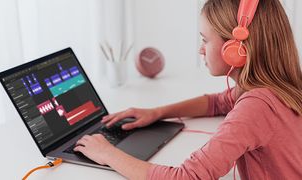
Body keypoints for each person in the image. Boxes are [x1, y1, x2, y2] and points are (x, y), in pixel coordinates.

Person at [74, 0, 302, 179]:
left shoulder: (257, 106)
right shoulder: (278, 86)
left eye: (205, 40)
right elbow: (217, 103)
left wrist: (108, 154)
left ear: (236, 49)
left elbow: (189, 177)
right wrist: (157, 113)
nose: (201, 50)